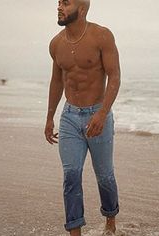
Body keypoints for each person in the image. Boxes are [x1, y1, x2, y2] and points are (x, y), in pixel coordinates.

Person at [44, 0, 121, 235]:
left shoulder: (102, 36)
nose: (59, 7)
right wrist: (49, 118)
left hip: (97, 115)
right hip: (69, 116)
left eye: (65, 3)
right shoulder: (56, 43)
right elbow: (57, 81)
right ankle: (75, 231)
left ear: (82, 9)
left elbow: (115, 77)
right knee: (71, 174)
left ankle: (110, 219)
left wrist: (102, 113)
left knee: (105, 176)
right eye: (58, 3)